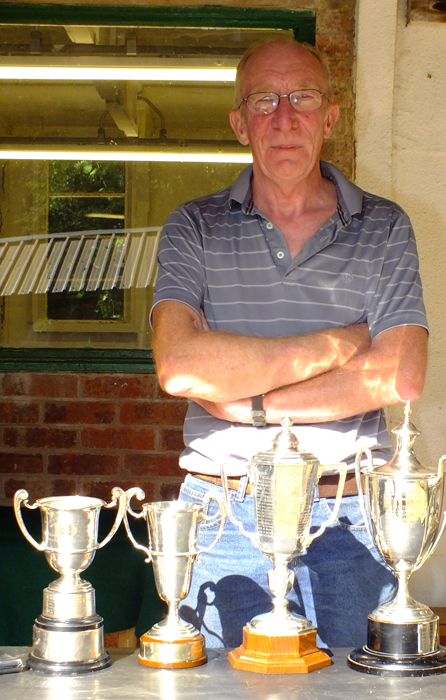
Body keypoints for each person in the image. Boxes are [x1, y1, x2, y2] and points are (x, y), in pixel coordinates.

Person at [150, 37, 429, 649]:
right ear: (238, 122)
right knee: (224, 692)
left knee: (362, 691)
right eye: (263, 100)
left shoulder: (384, 226)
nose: (284, 117)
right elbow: (178, 365)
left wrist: (256, 405)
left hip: (348, 513)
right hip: (227, 512)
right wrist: (339, 344)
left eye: (301, 96)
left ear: (330, 117)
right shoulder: (194, 226)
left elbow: (400, 374)